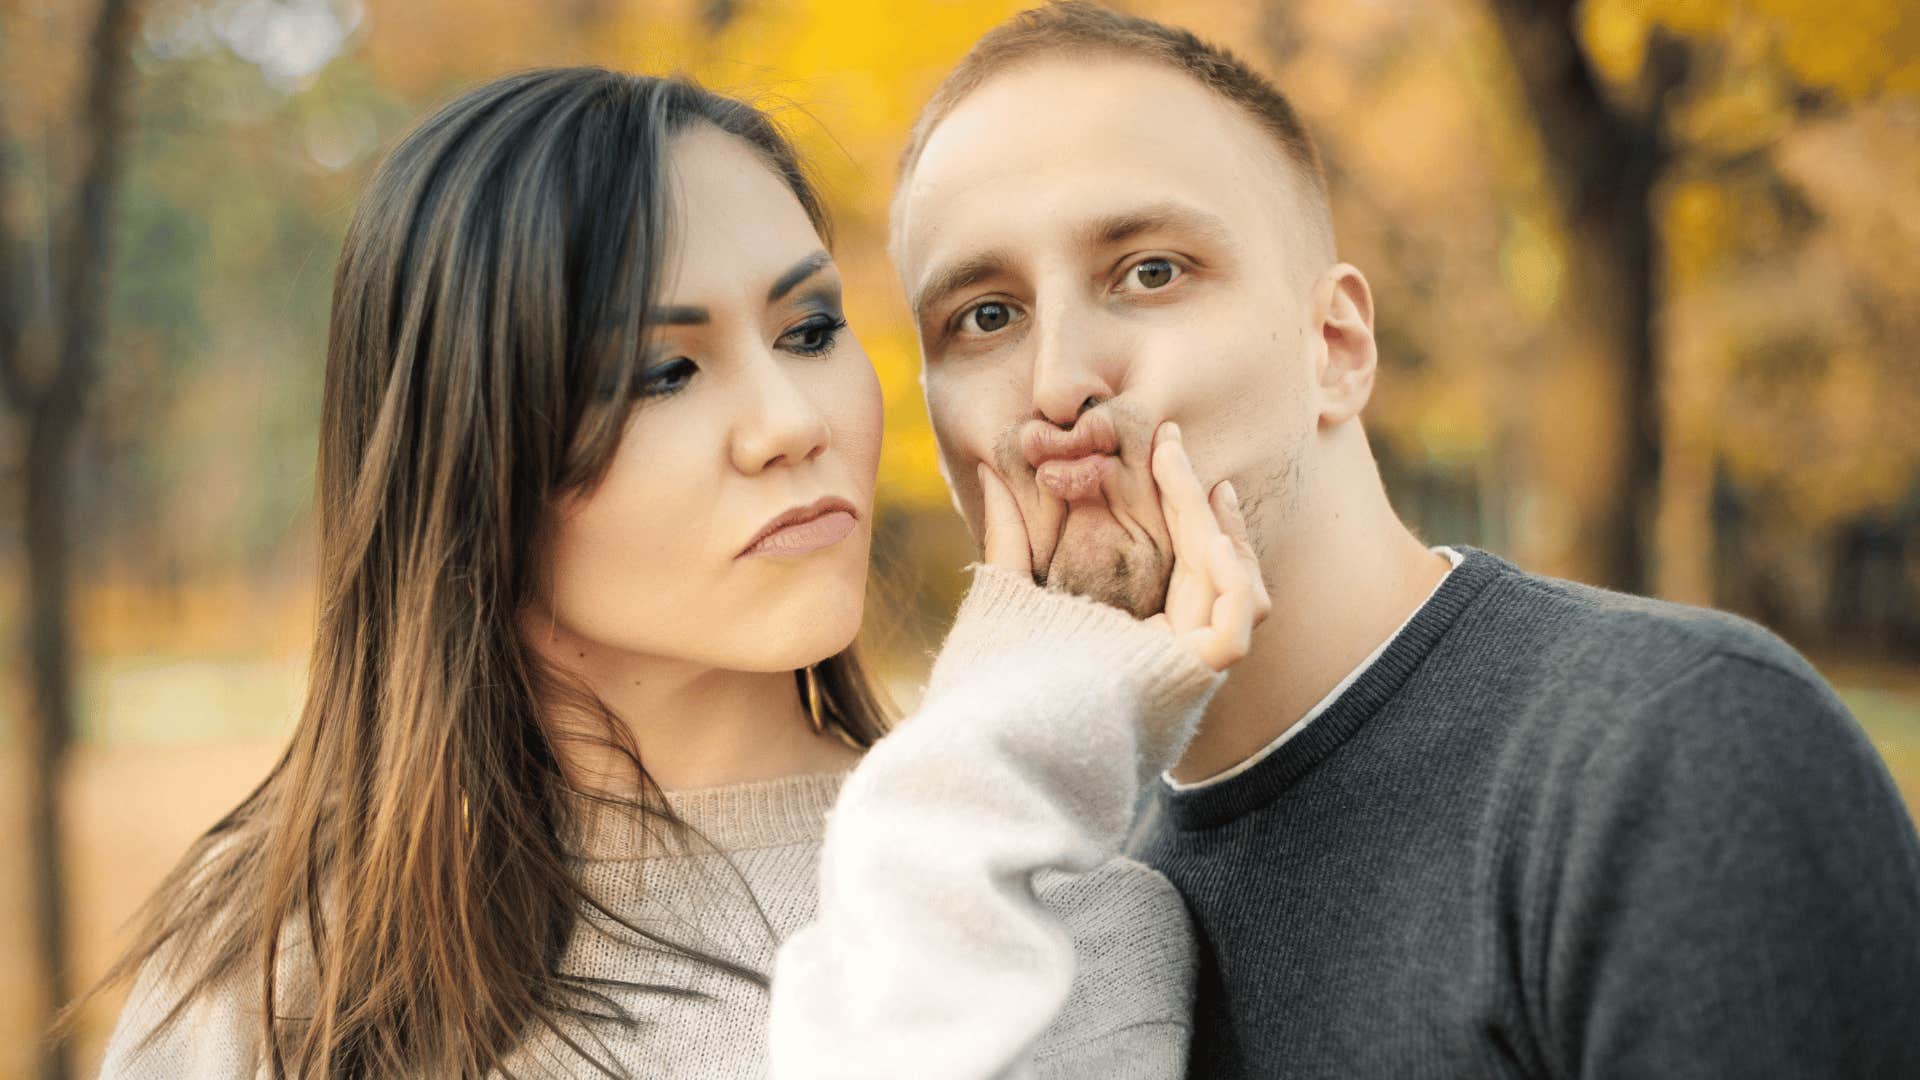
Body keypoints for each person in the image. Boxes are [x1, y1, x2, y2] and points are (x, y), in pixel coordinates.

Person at [87, 66, 1264, 1078]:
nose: (789, 421)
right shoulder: (290, 963)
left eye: (809, 331)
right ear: (472, 458)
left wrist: (981, 777)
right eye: (663, 372)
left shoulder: (1063, 911)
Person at [871, 3, 1920, 1077]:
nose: (1056, 385)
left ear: (1336, 346)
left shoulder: (1670, 755)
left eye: (1149, 272)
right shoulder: (1038, 880)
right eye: (986, 317)